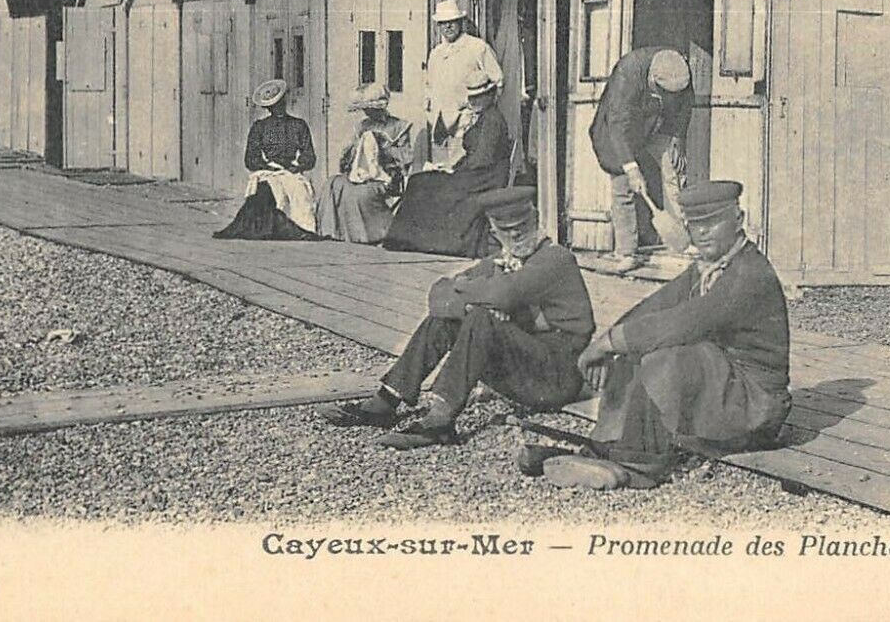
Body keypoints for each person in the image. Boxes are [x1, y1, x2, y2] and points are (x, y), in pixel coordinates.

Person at [528, 180, 791, 491]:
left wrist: (609, 343)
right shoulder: (710, 267)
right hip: (727, 391)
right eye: (695, 224)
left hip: (757, 408)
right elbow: (655, 307)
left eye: (712, 222)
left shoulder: (749, 273)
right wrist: (609, 343)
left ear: (738, 220)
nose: (702, 232)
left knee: (668, 354)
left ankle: (639, 467)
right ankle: (604, 447)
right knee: (634, 344)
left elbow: (686, 321)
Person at [321, 186, 595, 449]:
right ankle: (387, 399)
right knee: (448, 319)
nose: (516, 235)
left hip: (556, 376)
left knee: (481, 317)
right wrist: (468, 302)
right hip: (525, 368)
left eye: (522, 227)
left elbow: (503, 295)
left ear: (536, 220)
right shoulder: (502, 260)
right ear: (494, 231)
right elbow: (438, 296)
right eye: (507, 230)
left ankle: (440, 420)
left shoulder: (555, 259)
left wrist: (465, 290)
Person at [381, 69, 512, 257]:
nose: (474, 101)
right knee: (420, 181)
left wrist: (454, 170)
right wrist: (452, 167)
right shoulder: (484, 117)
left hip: (484, 179)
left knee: (422, 183)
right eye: (472, 97)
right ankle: (412, 239)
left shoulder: (492, 120)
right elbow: (476, 156)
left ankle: (421, 241)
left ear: (490, 95)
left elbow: (483, 159)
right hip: (475, 173)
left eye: (479, 97)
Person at [588, 46, 693, 273]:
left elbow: (685, 106)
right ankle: (627, 252)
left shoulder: (678, 68)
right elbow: (618, 123)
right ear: (653, 81)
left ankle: (679, 240)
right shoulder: (628, 72)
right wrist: (631, 168)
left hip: (654, 124)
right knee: (624, 186)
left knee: (672, 171)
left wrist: (678, 138)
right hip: (618, 129)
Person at [213, 79, 321, 240]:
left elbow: (309, 155)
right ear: (268, 108)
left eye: (280, 103)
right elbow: (251, 158)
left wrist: (298, 166)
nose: (278, 108)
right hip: (269, 171)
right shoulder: (260, 127)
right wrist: (267, 167)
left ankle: (303, 229)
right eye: (273, 106)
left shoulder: (298, 125)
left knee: (299, 193)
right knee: (265, 195)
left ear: (285, 102)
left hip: (291, 170)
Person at [313, 83, 414, 244]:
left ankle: (370, 235)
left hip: (385, 175)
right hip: (360, 172)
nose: (366, 112)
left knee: (361, 194)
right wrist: (354, 150)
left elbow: (406, 158)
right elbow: (348, 160)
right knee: (333, 184)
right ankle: (331, 232)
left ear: (379, 108)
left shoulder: (399, 126)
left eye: (369, 109)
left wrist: (383, 148)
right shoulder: (362, 126)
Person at [418, 0, 502, 168]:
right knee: (440, 171)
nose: (448, 27)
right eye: (443, 23)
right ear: (438, 26)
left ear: (460, 22)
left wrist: (477, 113)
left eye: (452, 22)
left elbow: (498, 81)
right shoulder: (436, 53)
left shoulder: (477, 47)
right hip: (440, 125)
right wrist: (430, 112)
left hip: (466, 125)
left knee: (461, 171)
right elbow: (429, 86)